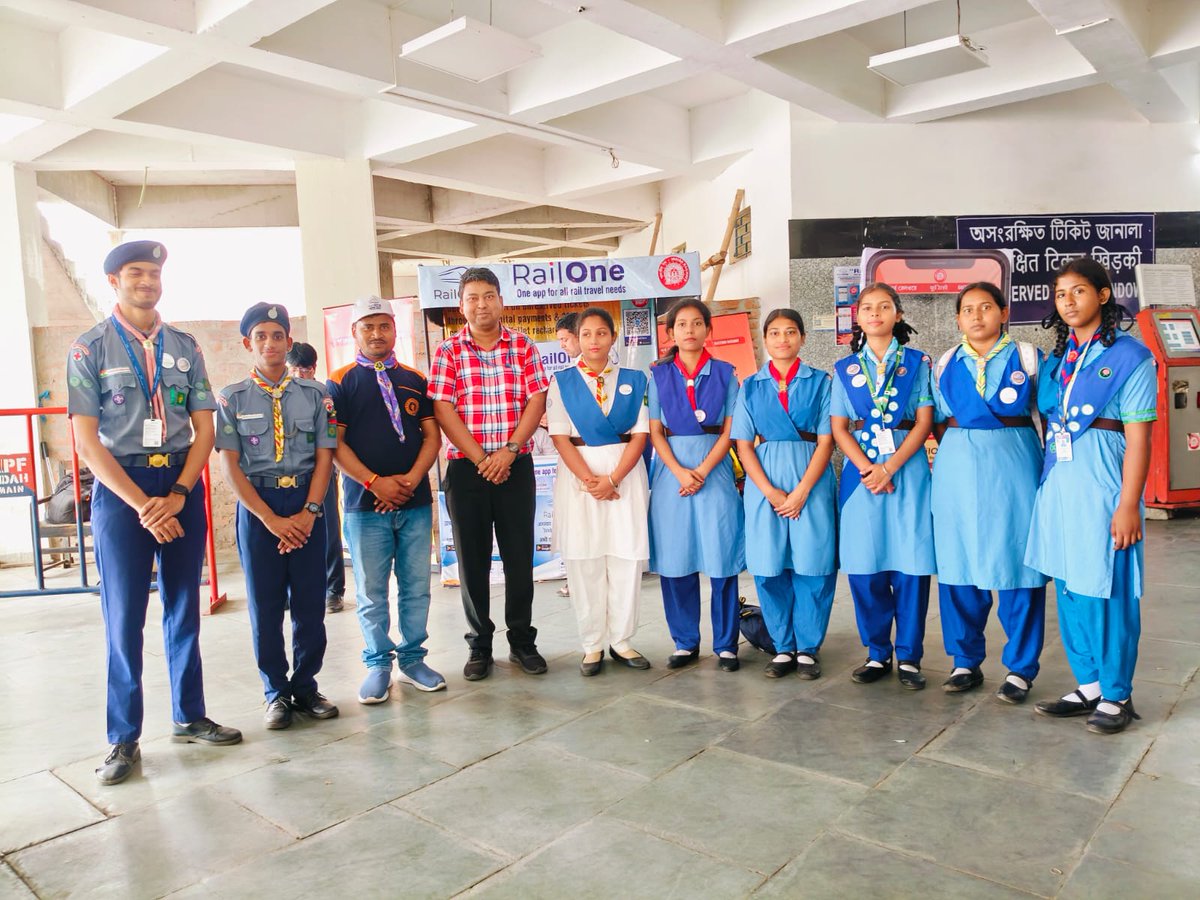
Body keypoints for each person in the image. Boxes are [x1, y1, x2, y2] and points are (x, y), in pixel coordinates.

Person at [67, 240, 241, 786]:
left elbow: (205, 427)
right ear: (114, 281)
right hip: (124, 492)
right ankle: (123, 738)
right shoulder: (88, 348)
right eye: (136, 273)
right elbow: (86, 441)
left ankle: (189, 715)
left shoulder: (185, 347)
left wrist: (180, 493)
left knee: (184, 605)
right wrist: (144, 504)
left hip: (179, 483)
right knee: (123, 616)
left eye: (154, 272)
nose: (148, 281)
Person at [1026, 257, 1155, 735]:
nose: (1068, 302)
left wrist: (1128, 503)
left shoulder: (1131, 357)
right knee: (1070, 582)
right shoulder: (1060, 360)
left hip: (1104, 483)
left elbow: (1140, 439)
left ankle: (1118, 693)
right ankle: (1090, 684)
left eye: (1078, 291)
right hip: (1060, 482)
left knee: (1110, 587)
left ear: (1102, 295)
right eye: (1061, 295)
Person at [216, 304, 339, 729]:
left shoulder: (315, 395)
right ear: (248, 344)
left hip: (307, 505)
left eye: (278, 335)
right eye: (261, 337)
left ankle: (305, 686)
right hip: (259, 509)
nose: (270, 344)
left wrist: (309, 511)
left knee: (309, 603)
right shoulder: (232, 398)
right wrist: (270, 519)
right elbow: (230, 466)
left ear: (289, 342)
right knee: (266, 606)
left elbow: (325, 457)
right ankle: (275, 692)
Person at [429, 267, 551, 681]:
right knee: (472, 560)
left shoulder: (523, 346)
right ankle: (479, 645)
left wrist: (510, 451)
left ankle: (522, 641)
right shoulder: (448, 351)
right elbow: (443, 409)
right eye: (472, 298)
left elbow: (536, 400)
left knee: (519, 557)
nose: (481, 304)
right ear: (461, 305)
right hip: (466, 471)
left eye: (488, 296)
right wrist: (484, 458)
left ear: (501, 300)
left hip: (516, 467)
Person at [931, 283, 1048, 702]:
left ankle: (1020, 668)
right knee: (959, 562)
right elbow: (939, 419)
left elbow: (1048, 417)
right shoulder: (945, 363)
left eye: (985, 307)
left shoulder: (1030, 358)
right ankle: (965, 661)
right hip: (957, 470)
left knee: (1018, 564)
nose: (976, 316)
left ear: (1004, 312)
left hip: (1014, 467)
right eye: (967, 310)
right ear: (958, 318)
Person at [329, 296, 445, 703]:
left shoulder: (415, 378)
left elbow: (432, 436)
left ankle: (413, 660)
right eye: (367, 327)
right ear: (355, 332)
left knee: (416, 587)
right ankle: (378, 665)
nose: (376, 334)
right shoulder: (339, 382)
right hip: (365, 506)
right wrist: (375, 482)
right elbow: (336, 445)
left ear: (395, 330)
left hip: (414, 503)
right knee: (372, 591)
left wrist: (411, 480)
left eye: (383, 326)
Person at [830, 282, 935, 690]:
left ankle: (909, 656)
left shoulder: (917, 363)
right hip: (861, 479)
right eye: (867, 308)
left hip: (906, 472)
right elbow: (840, 428)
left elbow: (924, 421)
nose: (875, 313)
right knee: (865, 566)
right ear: (857, 318)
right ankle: (877, 653)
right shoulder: (845, 370)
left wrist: (889, 467)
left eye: (885, 307)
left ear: (899, 314)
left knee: (911, 567)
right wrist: (867, 469)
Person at [546, 307, 652, 676]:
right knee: (585, 559)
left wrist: (614, 479)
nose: (594, 341)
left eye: (602, 333)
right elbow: (559, 435)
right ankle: (592, 645)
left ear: (612, 337)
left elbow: (641, 433)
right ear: (577, 337)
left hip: (625, 475)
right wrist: (591, 479)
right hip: (579, 478)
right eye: (587, 333)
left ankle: (622, 641)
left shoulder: (636, 379)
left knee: (625, 558)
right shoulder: (562, 382)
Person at [732, 309, 837, 679]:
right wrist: (771, 492)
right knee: (769, 564)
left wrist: (802, 490)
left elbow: (828, 441)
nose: (782, 339)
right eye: (774, 333)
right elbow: (743, 444)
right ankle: (783, 644)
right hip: (765, 482)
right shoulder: (750, 386)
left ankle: (808, 646)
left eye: (790, 332)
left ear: (803, 338)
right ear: (765, 340)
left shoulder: (823, 382)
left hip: (812, 477)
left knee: (813, 562)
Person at [647, 298, 745, 671]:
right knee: (676, 558)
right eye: (681, 325)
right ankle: (685, 641)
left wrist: (701, 470)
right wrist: (680, 471)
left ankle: (726, 644)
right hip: (670, 469)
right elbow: (655, 431)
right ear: (670, 333)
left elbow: (730, 430)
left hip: (714, 468)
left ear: (708, 330)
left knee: (721, 557)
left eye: (696, 323)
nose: (689, 330)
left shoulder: (725, 373)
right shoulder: (657, 375)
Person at [287, 342, 346, 614]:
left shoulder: (323, 396)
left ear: (314, 370)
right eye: (295, 370)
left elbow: (332, 439)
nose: (301, 375)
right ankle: (292, 590)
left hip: (322, 470)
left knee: (328, 529)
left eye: (306, 370)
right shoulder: (275, 397)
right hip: (289, 475)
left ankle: (334, 590)